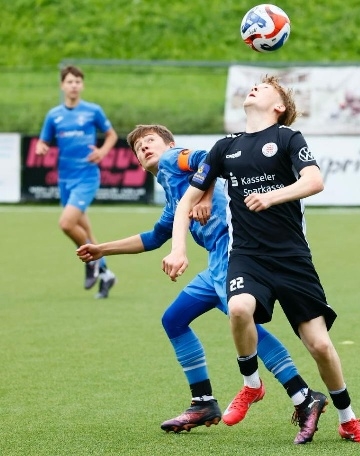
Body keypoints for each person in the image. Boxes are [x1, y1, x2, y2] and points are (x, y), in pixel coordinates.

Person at [76, 124, 327, 444]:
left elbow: (208, 159)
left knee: (244, 324)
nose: (145, 148)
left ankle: (302, 395)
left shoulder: (173, 160)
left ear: (170, 144)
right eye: (139, 148)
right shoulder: (173, 197)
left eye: (151, 141)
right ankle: (203, 403)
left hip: (234, 254)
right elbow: (154, 237)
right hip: (215, 265)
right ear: (138, 164)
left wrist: (206, 196)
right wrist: (102, 249)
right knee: (174, 319)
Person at [162, 76, 360, 444]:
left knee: (320, 346)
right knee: (238, 308)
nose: (254, 88)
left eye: (265, 88)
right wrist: (178, 248)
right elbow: (186, 202)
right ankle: (251, 384)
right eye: (254, 86)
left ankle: (348, 419)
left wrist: (272, 196)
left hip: (293, 259)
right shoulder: (224, 147)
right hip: (247, 256)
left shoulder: (288, 138)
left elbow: (314, 181)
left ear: (279, 106)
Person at [36, 65, 118, 298]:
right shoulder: (54, 115)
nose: (74, 85)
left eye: (77, 82)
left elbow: (111, 135)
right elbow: (43, 141)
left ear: (82, 85)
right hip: (65, 179)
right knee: (86, 232)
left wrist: (102, 152)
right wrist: (41, 147)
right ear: (62, 86)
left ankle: (92, 262)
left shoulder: (93, 111)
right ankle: (106, 274)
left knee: (66, 223)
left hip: (87, 177)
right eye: (70, 82)